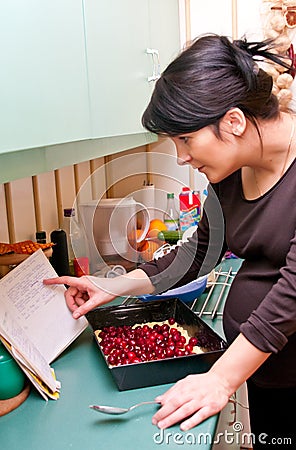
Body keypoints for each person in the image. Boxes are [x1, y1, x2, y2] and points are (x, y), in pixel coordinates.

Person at [44, 34, 296, 448]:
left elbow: (291, 293)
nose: (181, 157)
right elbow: (199, 251)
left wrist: (220, 378)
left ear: (232, 121)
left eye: (185, 140)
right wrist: (113, 285)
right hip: (266, 368)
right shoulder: (231, 173)